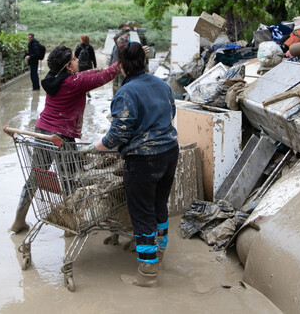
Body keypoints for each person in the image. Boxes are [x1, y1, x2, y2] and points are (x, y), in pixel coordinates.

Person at [87, 41, 179, 288]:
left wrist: (95, 147)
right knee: (160, 204)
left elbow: (118, 134)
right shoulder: (161, 84)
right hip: (169, 152)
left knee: (142, 213)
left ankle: (147, 272)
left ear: (121, 65)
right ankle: (159, 252)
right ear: (144, 61)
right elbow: (171, 114)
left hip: (143, 160)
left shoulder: (126, 93)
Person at [10, 45, 121, 233]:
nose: (78, 60)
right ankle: (70, 226)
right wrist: (124, 60)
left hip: (43, 131)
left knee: (36, 177)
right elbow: (104, 77)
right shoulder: (73, 83)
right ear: (69, 67)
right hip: (61, 136)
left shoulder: (51, 78)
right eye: (75, 59)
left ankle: (19, 221)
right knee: (69, 179)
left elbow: (84, 76)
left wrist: (95, 69)